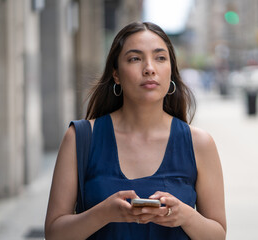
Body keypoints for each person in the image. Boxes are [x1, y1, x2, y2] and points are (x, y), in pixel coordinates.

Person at [44, 21, 226, 240]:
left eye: (160, 58)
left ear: (171, 73)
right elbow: (54, 233)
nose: (149, 68)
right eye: (135, 58)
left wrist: (186, 216)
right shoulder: (81, 138)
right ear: (116, 75)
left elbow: (218, 234)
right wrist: (103, 214)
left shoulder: (199, 143)